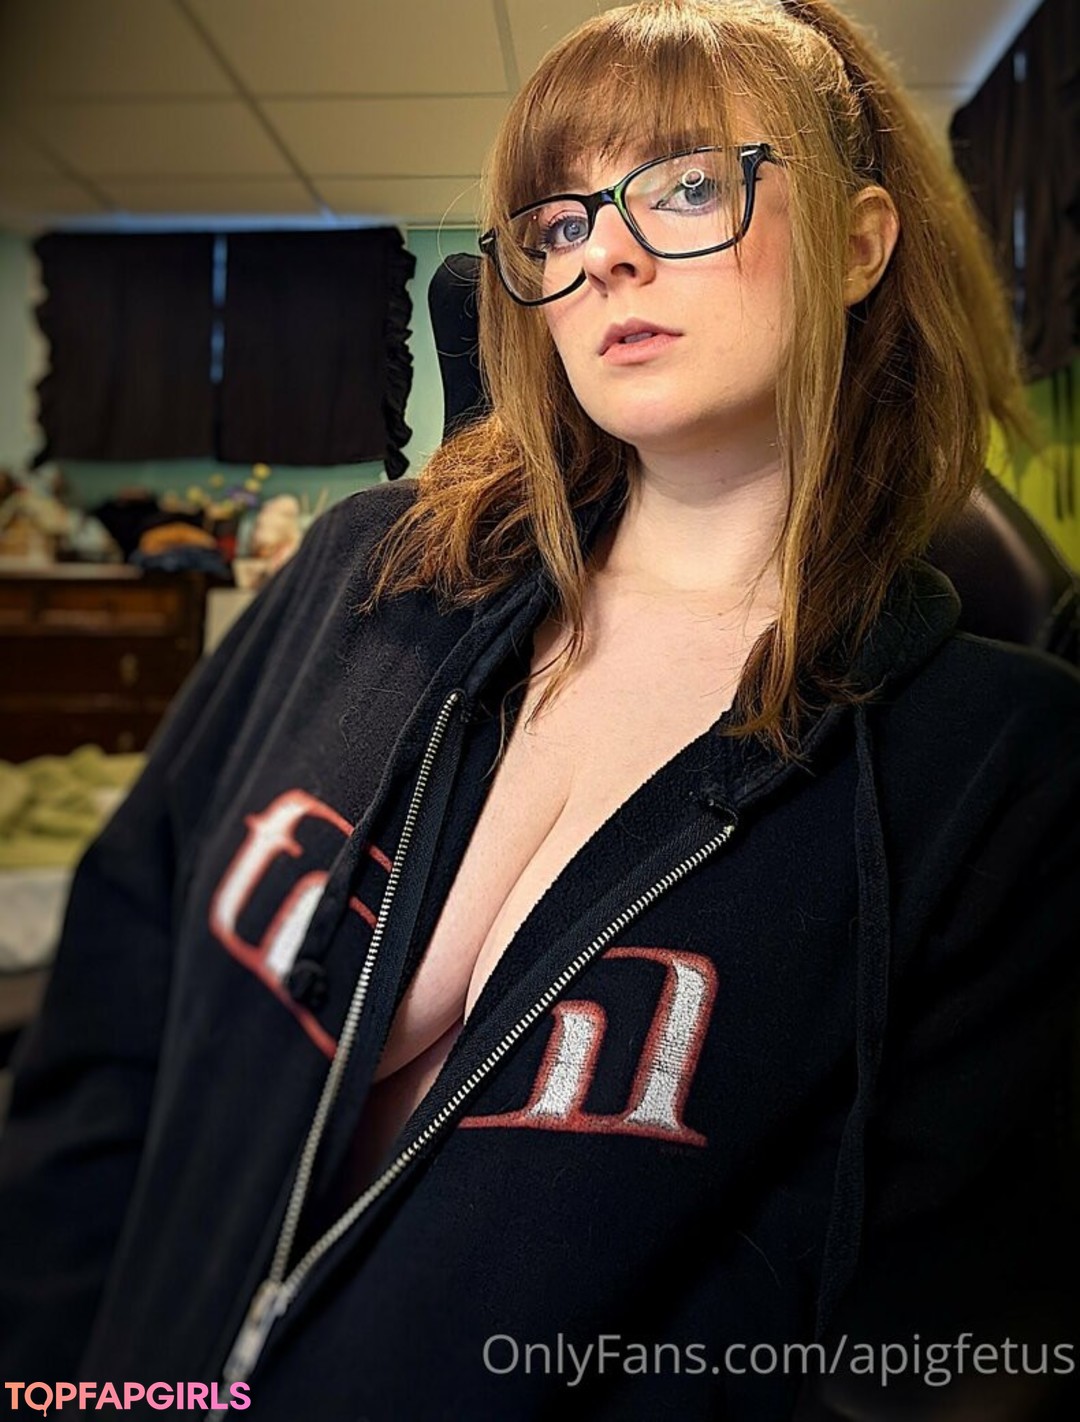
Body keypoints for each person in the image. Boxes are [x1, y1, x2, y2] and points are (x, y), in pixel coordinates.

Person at [1, 1, 1078, 1417]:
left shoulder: (998, 768)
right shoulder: (367, 575)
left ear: (860, 243)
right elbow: (122, 980)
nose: (604, 253)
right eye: (560, 222)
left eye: (687, 186)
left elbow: (931, 1360)